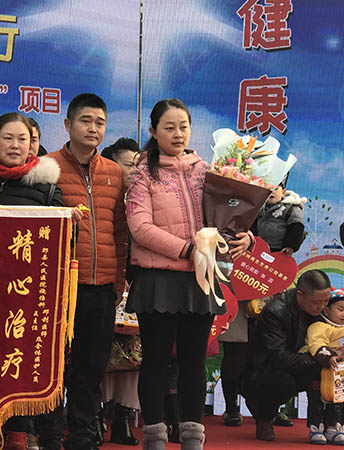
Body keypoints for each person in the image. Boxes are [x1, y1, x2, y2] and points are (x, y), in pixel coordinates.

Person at [125, 98, 251, 450]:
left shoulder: (206, 171)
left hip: (200, 279)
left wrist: (245, 236)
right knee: (156, 360)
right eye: (169, 127)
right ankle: (154, 434)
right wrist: (186, 250)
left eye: (183, 127)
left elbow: (226, 218)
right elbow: (139, 227)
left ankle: (193, 436)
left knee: (194, 361)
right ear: (153, 131)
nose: (178, 134)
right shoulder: (141, 175)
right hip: (158, 280)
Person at [0, 112, 66, 450]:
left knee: (17, 360)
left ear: (32, 144)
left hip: (23, 293)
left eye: (23, 139)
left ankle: (18, 437)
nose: (15, 145)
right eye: (7, 138)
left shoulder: (48, 189)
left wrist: (71, 224)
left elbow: (63, 243)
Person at [44, 93, 128, 450]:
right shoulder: (46, 168)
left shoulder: (114, 172)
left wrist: (120, 280)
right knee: (53, 366)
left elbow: (121, 231)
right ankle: (49, 434)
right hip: (60, 287)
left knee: (91, 367)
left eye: (100, 123)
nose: (93, 128)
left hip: (103, 286)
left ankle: (81, 434)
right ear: (68, 124)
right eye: (85, 121)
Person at [220, 177, 305, 427]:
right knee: (235, 352)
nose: (271, 191)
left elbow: (296, 232)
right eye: (267, 187)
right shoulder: (245, 205)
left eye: (276, 186)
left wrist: (287, 247)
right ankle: (231, 408)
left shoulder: (292, 208)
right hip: (240, 277)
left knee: (270, 351)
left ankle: (269, 410)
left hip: (272, 279)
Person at [243, 269, 331, 442]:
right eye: (316, 302)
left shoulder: (325, 312)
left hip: (304, 361)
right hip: (266, 368)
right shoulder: (276, 311)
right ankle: (264, 417)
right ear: (300, 295)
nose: (322, 307)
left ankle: (329, 424)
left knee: (334, 374)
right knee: (284, 382)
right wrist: (318, 361)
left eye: (326, 301)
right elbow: (278, 356)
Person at [99, 138, 140, 446]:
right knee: (99, 352)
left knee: (133, 354)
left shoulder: (143, 197)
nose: (134, 171)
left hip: (136, 285)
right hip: (105, 282)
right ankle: (96, 414)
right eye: (128, 165)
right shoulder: (102, 195)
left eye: (138, 165)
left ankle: (123, 417)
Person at [301, 289, 344, 444]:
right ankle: (316, 427)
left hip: (339, 375)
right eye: (340, 309)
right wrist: (330, 356)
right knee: (317, 400)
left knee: (338, 401)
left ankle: (333, 428)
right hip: (318, 371)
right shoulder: (319, 326)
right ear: (326, 310)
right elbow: (316, 344)